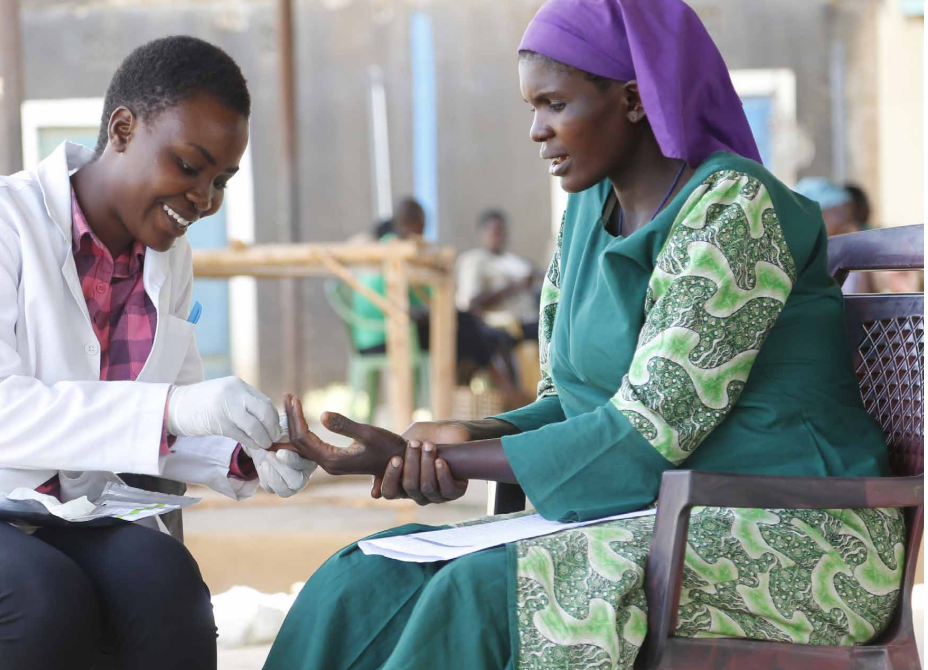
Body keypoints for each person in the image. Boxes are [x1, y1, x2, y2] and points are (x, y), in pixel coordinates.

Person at [263, 1, 904, 668]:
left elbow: (647, 430)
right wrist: (463, 436)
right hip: (664, 513)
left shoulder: (735, 211)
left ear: (632, 99)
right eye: (531, 107)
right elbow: (572, 404)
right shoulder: (585, 215)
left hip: (805, 535)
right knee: (365, 576)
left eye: (555, 104)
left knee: (483, 594)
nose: (536, 130)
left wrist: (455, 460)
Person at [0, 36, 315, 670]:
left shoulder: (169, 260)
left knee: (167, 584)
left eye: (220, 181)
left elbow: (164, 425)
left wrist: (248, 452)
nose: (204, 198)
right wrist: (175, 408)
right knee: (39, 599)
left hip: (69, 510)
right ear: (122, 129)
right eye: (189, 165)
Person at [352, 197, 525, 408]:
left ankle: (489, 392)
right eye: (424, 225)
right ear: (415, 224)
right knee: (464, 328)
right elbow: (408, 305)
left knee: (468, 329)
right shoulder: (398, 251)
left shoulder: (388, 247)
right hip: (386, 333)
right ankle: (499, 392)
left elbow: (425, 300)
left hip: (380, 331)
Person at [456, 209, 541, 341]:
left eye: (501, 231)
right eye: (494, 231)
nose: (498, 236)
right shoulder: (473, 260)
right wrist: (514, 287)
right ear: (482, 232)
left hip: (529, 321)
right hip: (499, 327)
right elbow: (470, 304)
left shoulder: (516, 261)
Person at [795, 177, 872, 292]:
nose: (849, 221)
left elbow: (865, 298)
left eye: (850, 216)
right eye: (841, 212)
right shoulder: (802, 259)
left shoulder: (846, 254)